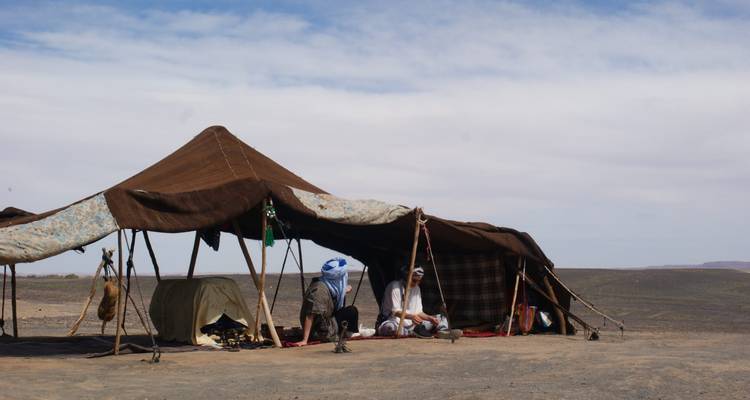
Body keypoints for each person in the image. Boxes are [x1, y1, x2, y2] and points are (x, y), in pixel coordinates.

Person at [291, 257, 359, 346]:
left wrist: (344, 291)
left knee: (349, 310)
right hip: (321, 331)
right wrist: (305, 340)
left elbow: (331, 296)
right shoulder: (319, 290)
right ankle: (346, 333)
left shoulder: (326, 284)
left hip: (326, 322)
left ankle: (345, 333)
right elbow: (310, 314)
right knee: (351, 311)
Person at [376, 265, 449, 338]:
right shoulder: (395, 286)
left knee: (441, 317)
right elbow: (395, 312)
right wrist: (411, 317)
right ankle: (411, 332)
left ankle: (442, 332)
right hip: (394, 322)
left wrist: (430, 318)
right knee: (389, 328)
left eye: (419, 281)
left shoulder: (416, 288)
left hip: (413, 325)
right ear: (406, 277)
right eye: (414, 280)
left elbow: (419, 312)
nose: (417, 283)